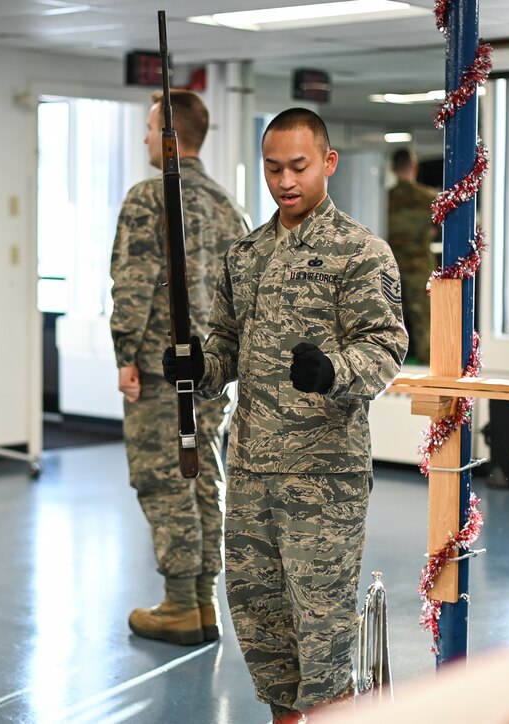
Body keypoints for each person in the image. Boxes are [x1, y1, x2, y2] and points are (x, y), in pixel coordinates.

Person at [164, 108, 407, 720]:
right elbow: (224, 347)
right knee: (264, 627)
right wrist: (197, 368)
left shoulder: (360, 253)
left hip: (322, 476)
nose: (284, 181)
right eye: (273, 168)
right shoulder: (243, 255)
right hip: (250, 471)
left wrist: (334, 372)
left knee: (322, 635)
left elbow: (384, 346)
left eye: (298, 166)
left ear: (328, 162)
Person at [110, 89, 250, 646]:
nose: (144, 137)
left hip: (157, 364)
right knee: (202, 474)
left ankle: (177, 603)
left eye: (149, 129)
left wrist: (125, 354)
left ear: (169, 137)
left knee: (161, 478)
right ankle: (202, 603)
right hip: (211, 370)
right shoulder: (226, 206)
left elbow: (134, 283)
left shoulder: (148, 197)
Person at [386, 147, 438, 364]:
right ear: (414, 166)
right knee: (424, 320)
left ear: (392, 168)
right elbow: (435, 229)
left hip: (390, 268)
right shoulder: (430, 198)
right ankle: (428, 367)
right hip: (419, 267)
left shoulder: (385, 200)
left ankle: (388, 365)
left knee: (389, 319)